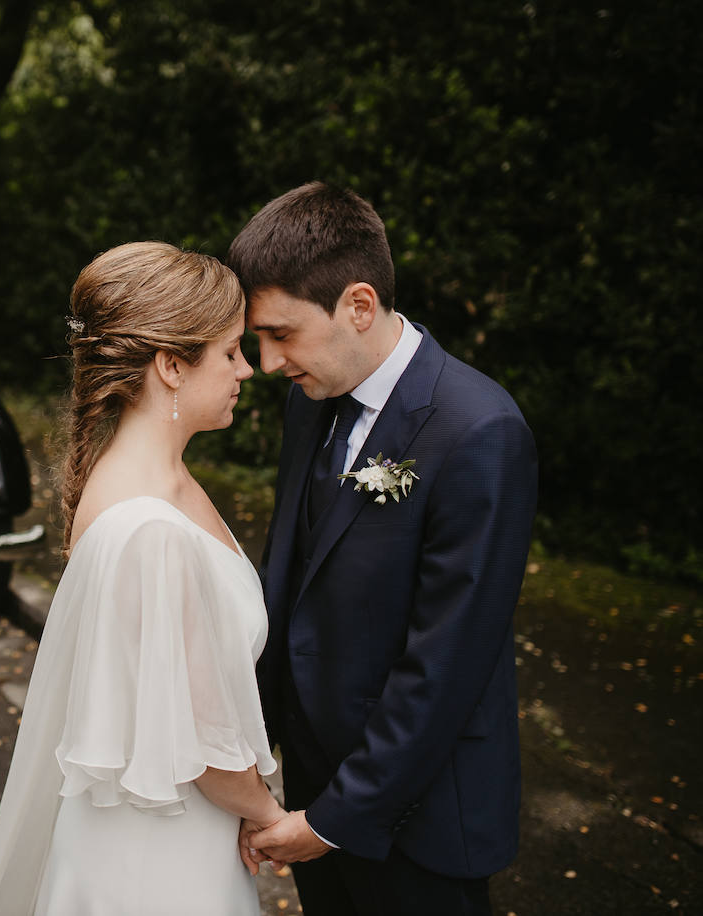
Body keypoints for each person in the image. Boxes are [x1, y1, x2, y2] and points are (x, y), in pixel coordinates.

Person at [227, 182, 538, 916]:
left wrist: (336, 820)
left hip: (418, 820)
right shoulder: (311, 405)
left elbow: (446, 664)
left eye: (281, 334)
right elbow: (289, 576)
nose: (268, 364)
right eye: (257, 341)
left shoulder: (480, 432)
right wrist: (256, 752)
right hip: (306, 788)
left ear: (358, 305)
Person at [0, 241, 285, 915]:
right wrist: (266, 812)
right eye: (229, 352)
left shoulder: (153, 481)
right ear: (171, 366)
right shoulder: (152, 531)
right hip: (162, 857)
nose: (246, 370)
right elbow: (207, 743)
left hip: (160, 827)